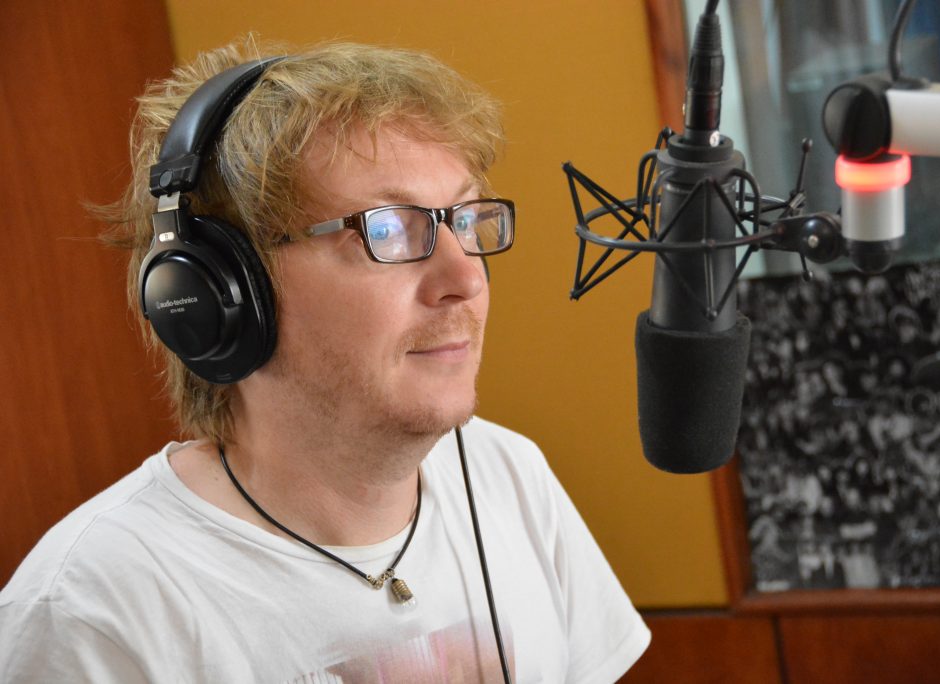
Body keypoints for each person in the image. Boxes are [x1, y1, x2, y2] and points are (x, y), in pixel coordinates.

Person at [0, 41, 650, 682]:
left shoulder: (506, 474)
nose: (466, 279)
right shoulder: (89, 614)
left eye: (465, 219)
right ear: (221, 292)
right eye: (388, 229)